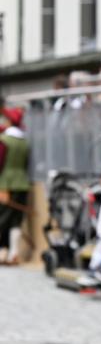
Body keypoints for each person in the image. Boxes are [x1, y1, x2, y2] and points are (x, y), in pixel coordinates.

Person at [0, 108, 29, 265]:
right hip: (22, 183)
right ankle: (13, 253)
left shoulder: (4, 140)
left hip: (5, 184)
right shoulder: (24, 141)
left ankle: (3, 253)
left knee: (2, 219)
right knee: (16, 220)